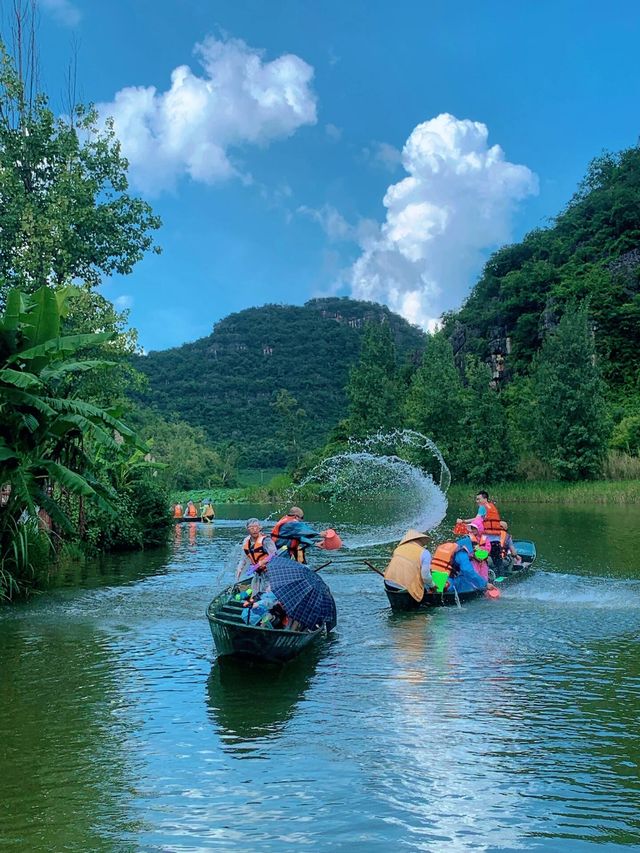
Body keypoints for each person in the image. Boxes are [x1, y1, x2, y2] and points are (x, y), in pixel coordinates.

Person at [383, 530, 434, 603]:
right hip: (404, 588)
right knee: (426, 590)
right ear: (420, 540)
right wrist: (432, 586)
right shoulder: (425, 553)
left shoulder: (398, 549)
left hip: (388, 583)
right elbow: (425, 576)